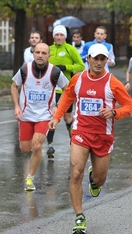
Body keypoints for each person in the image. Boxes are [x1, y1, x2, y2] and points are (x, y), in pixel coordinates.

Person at [48, 44, 132, 234]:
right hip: (80, 132)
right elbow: (67, 98)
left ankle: (94, 179)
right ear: (88, 59)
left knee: (100, 179)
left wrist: (114, 112)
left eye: (102, 59)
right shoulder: (78, 79)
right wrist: (56, 117)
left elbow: (129, 106)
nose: (98, 62)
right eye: (95, 58)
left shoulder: (113, 83)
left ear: (106, 60)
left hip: (103, 135)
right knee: (75, 172)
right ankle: (79, 216)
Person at [11, 43, 69, 191]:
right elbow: (13, 85)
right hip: (26, 115)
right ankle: (34, 157)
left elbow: (67, 89)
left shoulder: (55, 72)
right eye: (37, 52)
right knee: (25, 149)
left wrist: (58, 106)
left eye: (44, 53)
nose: (40, 55)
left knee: (37, 146)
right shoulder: (25, 69)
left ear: (49, 56)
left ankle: (30, 178)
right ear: (33, 54)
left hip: (45, 115)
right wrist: (17, 106)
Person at [47, 25, 85, 158]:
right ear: (53, 36)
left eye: (61, 35)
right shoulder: (49, 49)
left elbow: (81, 65)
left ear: (65, 36)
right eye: (56, 35)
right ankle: (50, 145)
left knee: (67, 117)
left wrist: (66, 67)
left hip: (66, 89)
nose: (58, 37)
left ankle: (73, 142)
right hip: (50, 90)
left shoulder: (70, 49)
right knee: (52, 117)